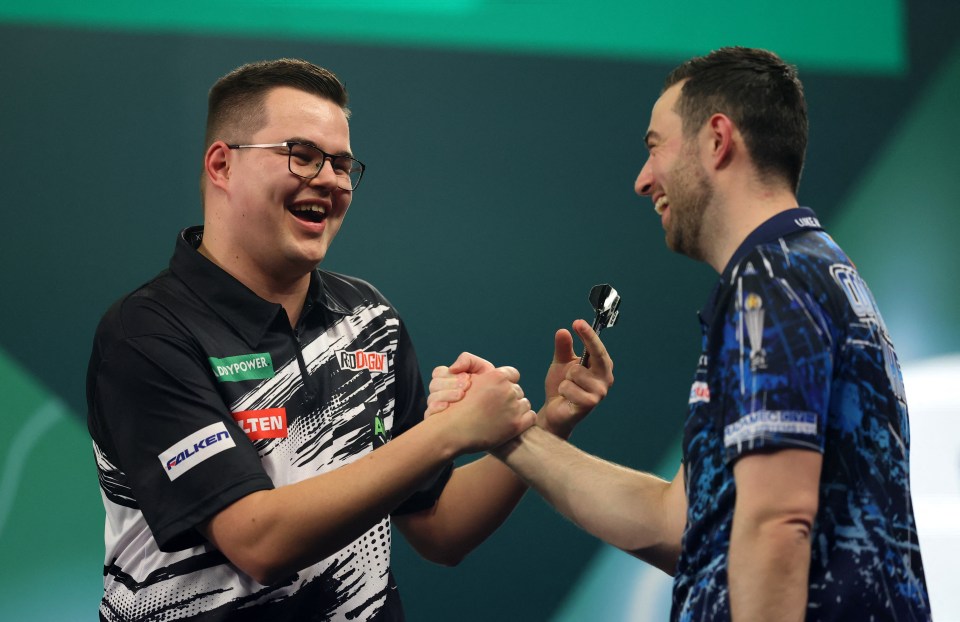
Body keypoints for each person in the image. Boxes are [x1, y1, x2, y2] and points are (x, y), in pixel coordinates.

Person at [85, 58, 612, 621]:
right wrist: (448, 433)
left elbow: (440, 529)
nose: (332, 181)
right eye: (303, 156)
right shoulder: (146, 333)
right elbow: (259, 543)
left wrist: (548, 423)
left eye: (342, 164)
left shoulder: (369, 315)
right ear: (222, 165)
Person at [431, 47, 931, 620]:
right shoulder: (809, 268)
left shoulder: (770, 280)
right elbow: (678, 523)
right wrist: (512, 431)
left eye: (654, 146)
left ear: (717, 139)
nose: (643, 181)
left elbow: (776, 522)